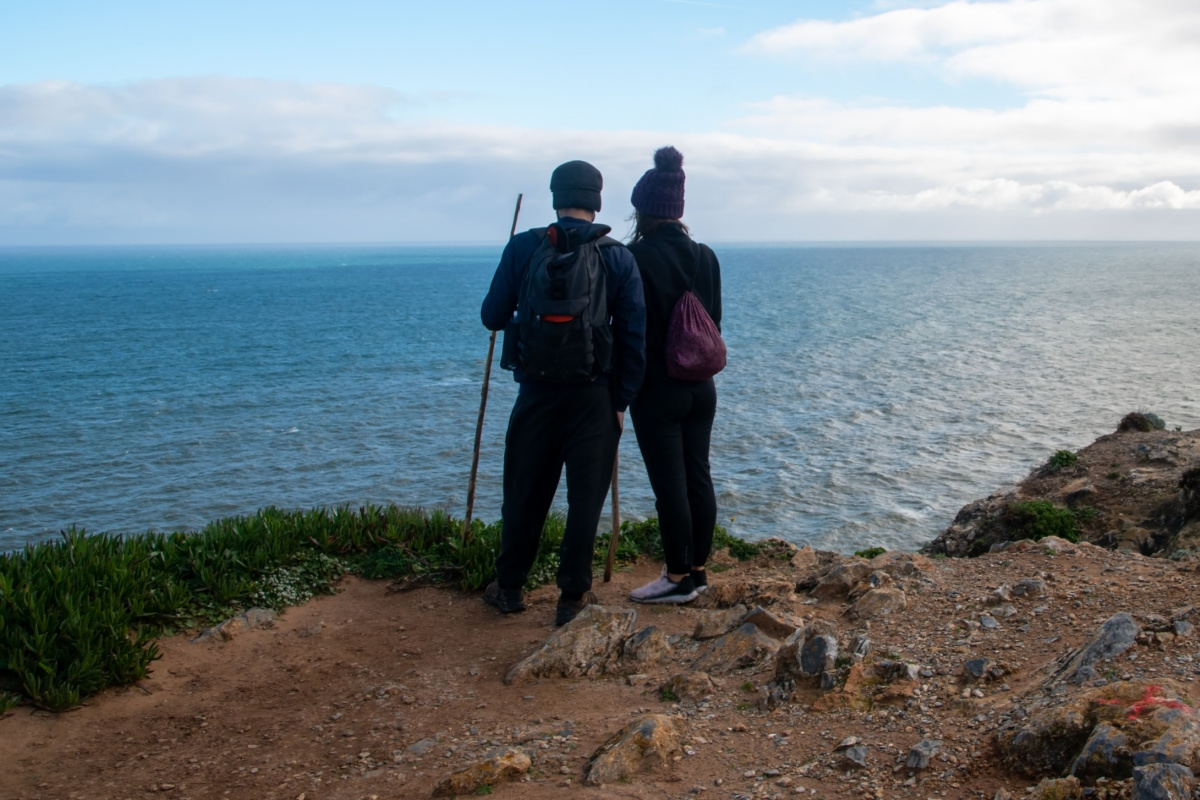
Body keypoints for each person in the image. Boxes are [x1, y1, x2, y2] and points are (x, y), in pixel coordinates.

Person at [480, 160, 646, 626]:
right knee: (584, 502)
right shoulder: (617, 257)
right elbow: (635, 338)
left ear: (556, 198)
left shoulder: (524, 247)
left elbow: (492, 316)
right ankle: (572, 598)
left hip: (535, 393)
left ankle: (509, 588)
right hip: (594, 398)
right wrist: (621, 403)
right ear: (596, 199)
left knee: (524, 494)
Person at [625, 147, 721, 604]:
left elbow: (628, 331)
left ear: (644, 209)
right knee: (698, 475)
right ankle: (698, 571)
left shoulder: (634, 258)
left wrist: (619, 394)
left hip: (658, 389)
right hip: (702, 387)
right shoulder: (705, 256)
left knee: (670, 486)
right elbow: (713, 321)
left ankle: (678, 577)